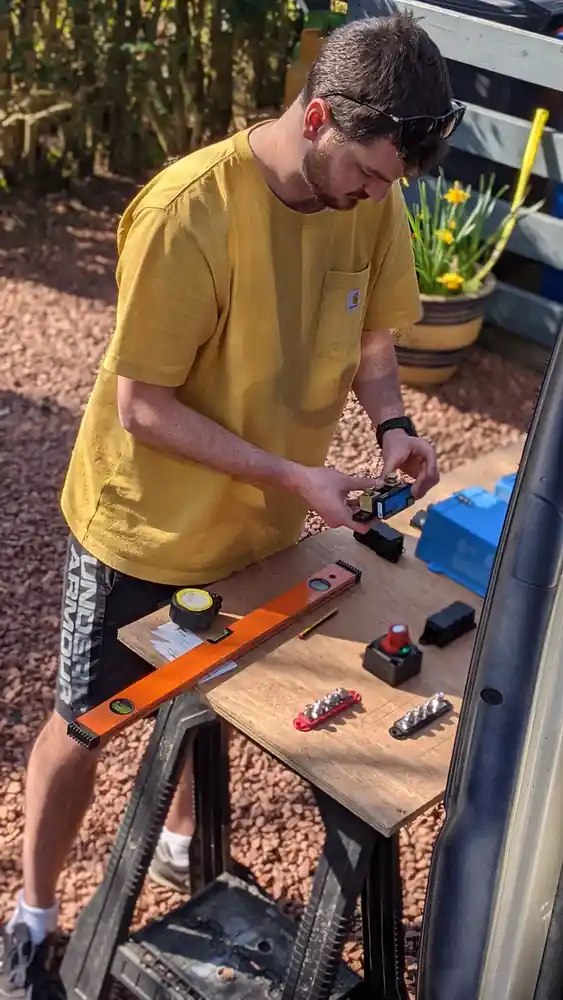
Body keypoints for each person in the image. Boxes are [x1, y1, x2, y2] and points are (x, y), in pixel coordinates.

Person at [0, 10, 463, 996]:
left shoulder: (368, 198)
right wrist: (296, 478)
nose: (375, 196)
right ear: (318, 116)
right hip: (144, 527)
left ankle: (178, 845)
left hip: (258, 525)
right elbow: (143, 407)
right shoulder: (188, 212)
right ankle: (31, 918)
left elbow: (373, 343)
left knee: (204, 688)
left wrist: (391, 426)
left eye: (387, 183)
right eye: (367, 173)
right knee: (85, 723)